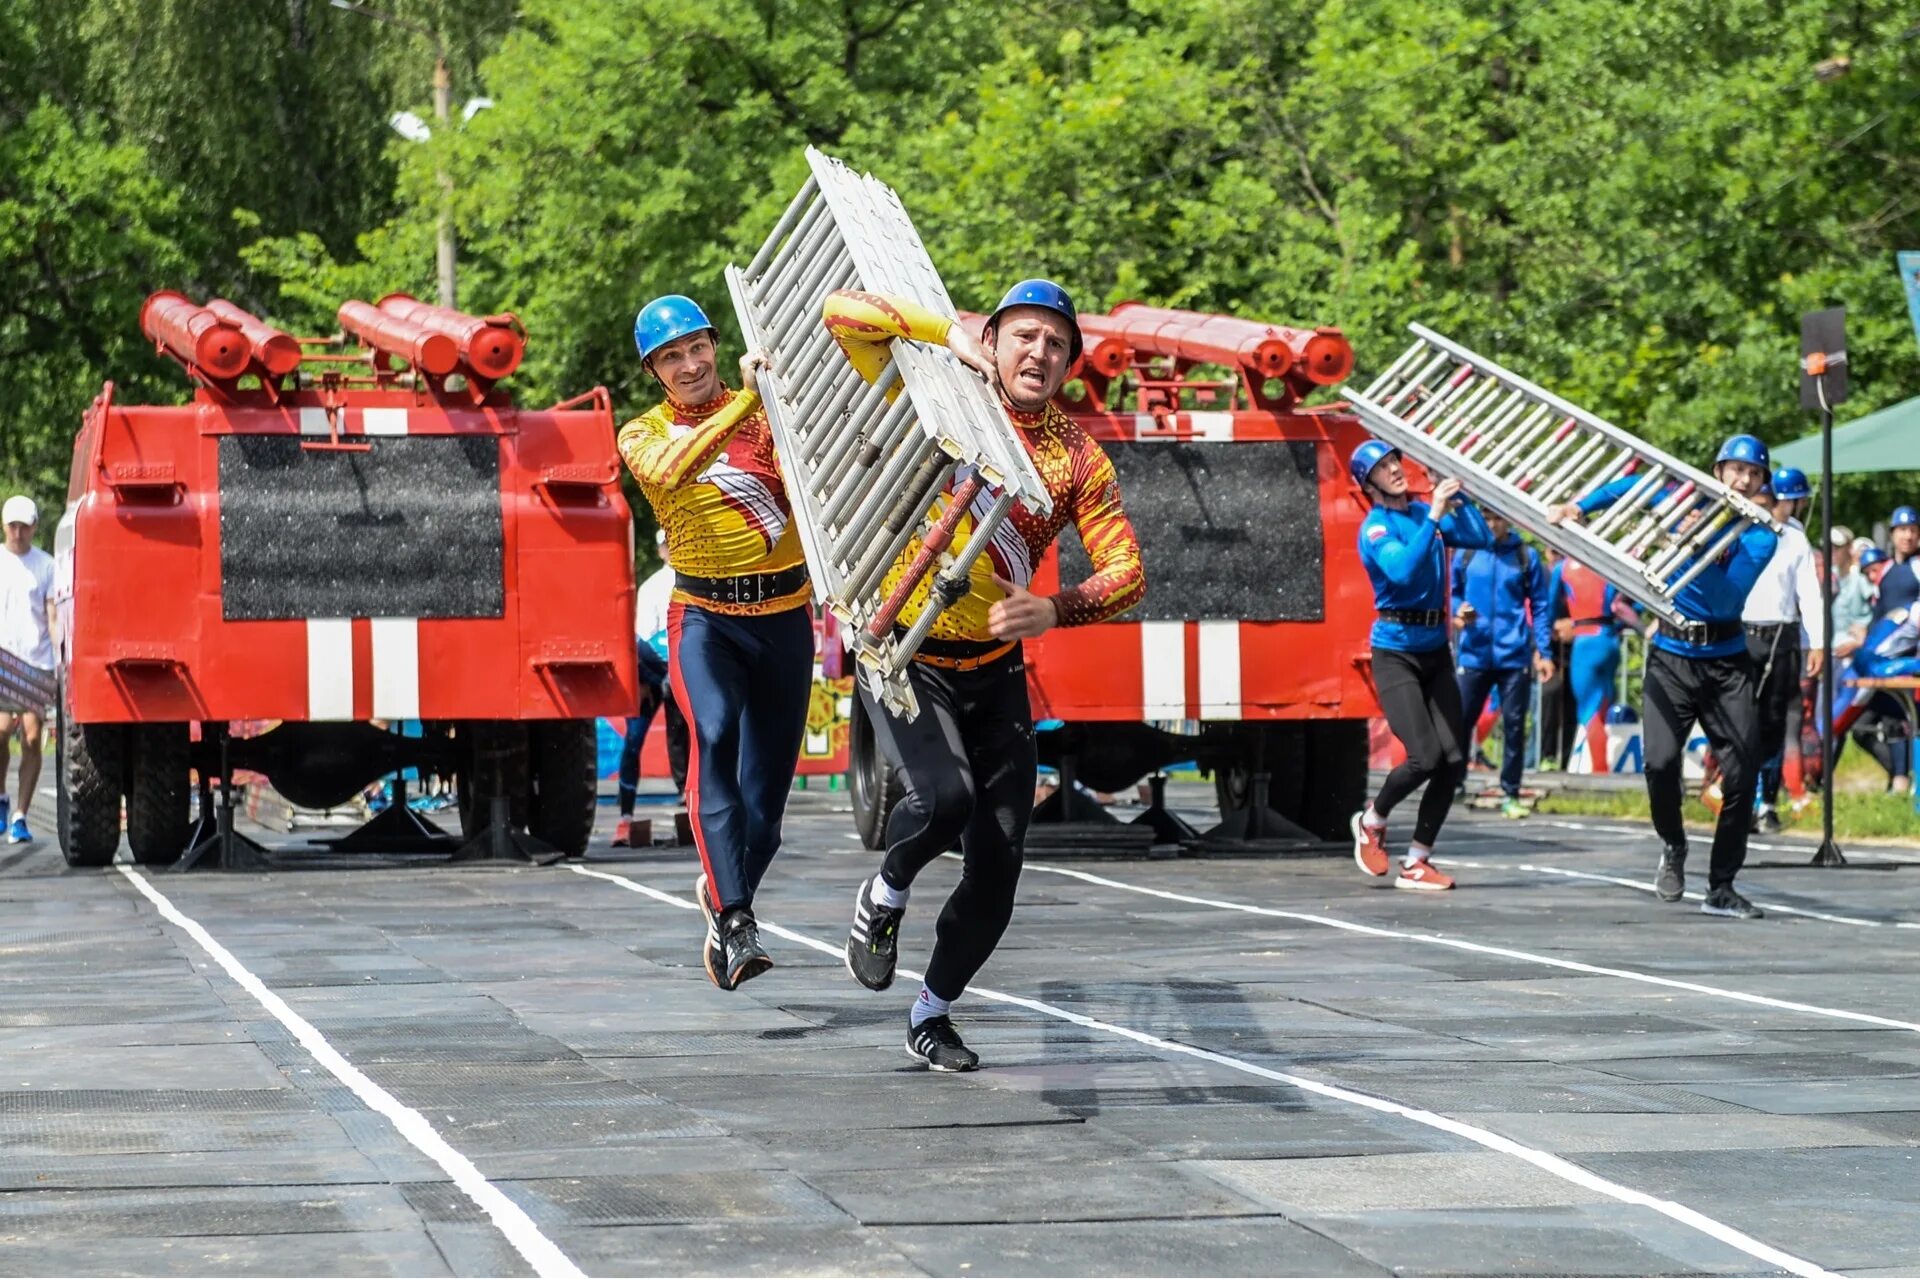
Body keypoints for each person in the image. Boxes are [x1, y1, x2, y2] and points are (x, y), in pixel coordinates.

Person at [827, 280, 1145, 1073]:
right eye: (1025, 337)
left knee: (999, 863)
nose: (1039, 354)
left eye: (1057, 344)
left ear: (1071, 362)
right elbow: (843, 311)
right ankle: (886, 889)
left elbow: (1129, 570)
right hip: (905, 651)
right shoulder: (935, 388)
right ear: (996, 339)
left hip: (994, 670)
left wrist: (1056, 607)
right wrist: (949, 334)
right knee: (944, 799)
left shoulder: (1077, 455)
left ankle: (931, 1012)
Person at [616, 295, 814, 991]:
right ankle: (736, 921)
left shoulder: (771, 407)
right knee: (717, 734)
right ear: (653, 371)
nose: (691, 363)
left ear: (714, 343)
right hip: (705, 619)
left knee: (769, 809)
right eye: (672, 356)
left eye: (697, 347)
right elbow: (675, 470)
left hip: (787, 615)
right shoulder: (641, 434)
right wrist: (744, 402)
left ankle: (724, 894)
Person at [1548, 434, 1778, 920]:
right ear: (1717, 472)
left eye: (1754, 474)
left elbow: (1723, 597)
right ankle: (1673, 844)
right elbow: (1631, 487)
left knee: (1741, 774)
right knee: (1659, 763)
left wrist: (1693, 542)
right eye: (1736, 469)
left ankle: (1722, 885)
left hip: (1725, 661)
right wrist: (1579, 506)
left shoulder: (1760, 535)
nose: (1744, 480)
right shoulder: (1682, 502)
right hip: (1671, 657)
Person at [1348, 441, 1493, 890]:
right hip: (1396, 654)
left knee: (1452, 762)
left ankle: (1417, 860)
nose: (1395, 470)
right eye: (1383, 467)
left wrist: (1456, 495)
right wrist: (1433, 515)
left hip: (1435, 649)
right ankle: (1372, 819)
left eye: (1395, 462)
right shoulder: (1376, 526)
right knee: (1425, 756)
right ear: (1368, 483)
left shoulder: (1419, 511)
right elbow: (1403, 572)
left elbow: (1481, 537)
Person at [1451, 513, 1554, 817]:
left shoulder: (1526, 556)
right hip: (1474, 653)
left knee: (1513, 725)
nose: (1491, 524)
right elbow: (1452, 593)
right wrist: (1459, 610)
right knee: (1461, 721)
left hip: (1514, 655)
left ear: (1508, 520)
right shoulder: (1466, 552)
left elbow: (1541, 606)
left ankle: (1511, 791)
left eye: (1497, 518)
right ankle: (1453, 782)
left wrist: (1544, 651)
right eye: (1486, 518)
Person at [1740, 467, 1825, 832]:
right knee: (1741, 720)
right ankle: (1740, 798)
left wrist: (1817, 642)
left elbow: (1809, 593)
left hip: (1783, 634)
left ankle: (1768, 802)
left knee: (1774, 722)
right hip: (1744, 632)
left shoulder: (1794, 539)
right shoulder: (1741, 530)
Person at [612, 530, 674, 848]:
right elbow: (639, 640)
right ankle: (625, 817)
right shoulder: (652, 586)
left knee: (694, 744)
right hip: (653, 675)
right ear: (660, 549)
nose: (669, 549)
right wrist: (649, 678)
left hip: (680, 673)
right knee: (633, 741)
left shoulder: (690, 583)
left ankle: (696, 813)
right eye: (665, 544)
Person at [0, 496, 56, 845]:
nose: (18, 532)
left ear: (34, 527)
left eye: (24, 526)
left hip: (37, 661)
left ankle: (20, 814)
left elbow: (52, 616)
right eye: (12, 526)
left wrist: (61, 658)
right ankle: (1, 800)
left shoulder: (46, 566)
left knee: (33, 738)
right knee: (1, 733)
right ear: (5, 526)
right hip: (4, 660)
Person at [1550, 556, 1638, 774]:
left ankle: (1600, 770)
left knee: (1589, 710)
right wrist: (1616, 627)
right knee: (1603, 704)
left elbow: (1550, 607)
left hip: (1585, 640)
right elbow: (1634, 602)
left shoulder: (1563, 567)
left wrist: (1559, 629)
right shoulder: (1607, 562)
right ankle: (1602, 766)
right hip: (1609, 640)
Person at [1831, 592, 1917, 792]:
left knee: (1892, 723)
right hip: (1872, 671)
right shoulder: (1910, 609)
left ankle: (1901, 780)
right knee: (1853, 727)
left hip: (1876, 671)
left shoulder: (1907, 607)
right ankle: (1901, 778)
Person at [1871, 505, 1919, 623]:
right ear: (1892, 534)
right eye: (1903, 529)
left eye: (1913, 530)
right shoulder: (1884, 569)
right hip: (1887, 636)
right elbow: (1878, 611)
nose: (1908, 536)